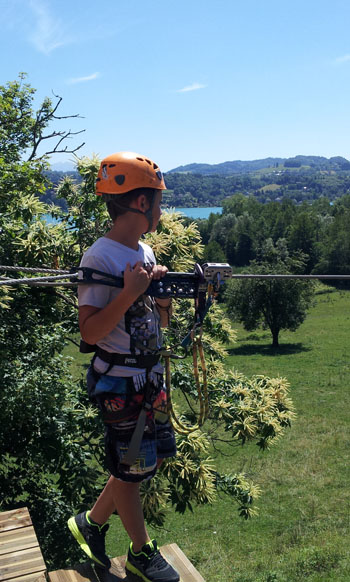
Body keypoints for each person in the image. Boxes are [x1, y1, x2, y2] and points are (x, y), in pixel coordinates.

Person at [67, 152, 179, 582]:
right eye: (157, 200)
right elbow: (91, 331)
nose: (161, 209)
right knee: (131, 473)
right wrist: (131, 292)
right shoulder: (99, 259)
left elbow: (160, 322)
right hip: (119, 381)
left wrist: (162, 297)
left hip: (147, 378)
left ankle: (91, 524)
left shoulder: (144, 250)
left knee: (136, 464)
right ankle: (140, 552)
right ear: (139, 203)